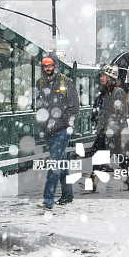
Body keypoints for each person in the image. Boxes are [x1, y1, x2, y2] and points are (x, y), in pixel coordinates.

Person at [35, 54, 79, 209]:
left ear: (56, 65)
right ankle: (67, 195)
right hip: (49, 131)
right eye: (45, 65)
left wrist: (59, 123)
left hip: (63, 130)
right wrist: (43, 124)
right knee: (60, 162)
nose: (47, 68)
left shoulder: (66, 82)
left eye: (50, 65)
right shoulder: (40, 83)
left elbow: (74, 108)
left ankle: (48, 200)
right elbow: (39, 106)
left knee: (54, 163)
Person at [92, 64, 129, 192]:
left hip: (117, 132)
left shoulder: (118, 92)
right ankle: (94, 179)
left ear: (110, 77)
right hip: (105, 130)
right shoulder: (104, 91)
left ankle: (127, 180)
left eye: (104, 76)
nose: (101, 78)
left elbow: (121, 113)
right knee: (99, 155)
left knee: (122, 157)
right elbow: (101, 110)